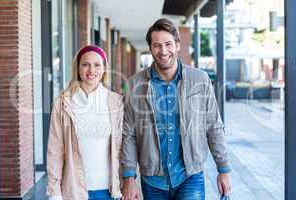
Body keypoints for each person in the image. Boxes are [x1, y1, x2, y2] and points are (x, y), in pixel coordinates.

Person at [121, 18, 231, 200]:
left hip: (190, 176)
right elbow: (129, 134)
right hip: (152, 180)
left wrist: (223, 168)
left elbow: (213, 126)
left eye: (168, 44)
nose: (163, 51)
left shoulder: (200, 80)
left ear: (178, 45)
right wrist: (129, 176)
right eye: (157, 45)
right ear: (150, 48)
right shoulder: (135, 84)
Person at [46, 45, 123, 200]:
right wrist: (55, 192)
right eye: (85, 64)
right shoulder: (64, 103)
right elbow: (55, 150)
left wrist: (125, 182)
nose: (91, 70)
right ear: (78, 68)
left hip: (108, 190)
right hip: (74, 190)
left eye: (97, 65)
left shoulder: (115, 102)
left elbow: (122, 146)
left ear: (104, 68)